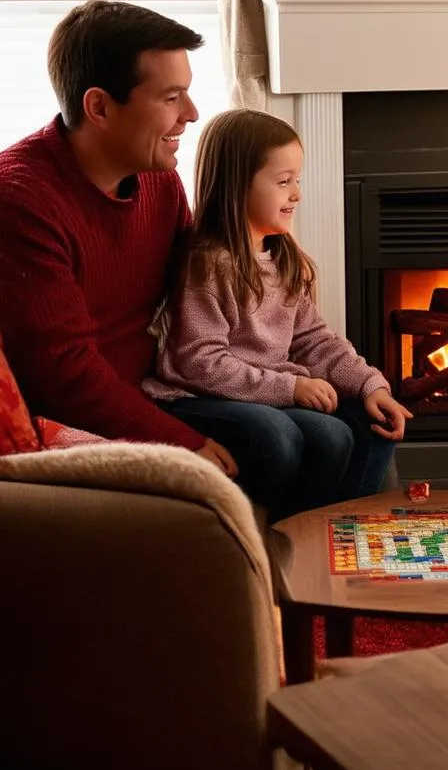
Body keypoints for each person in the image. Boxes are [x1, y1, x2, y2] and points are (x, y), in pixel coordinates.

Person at [0, 0, 237, 477]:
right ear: (99, 107)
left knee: (342, 429)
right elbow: (65, 375)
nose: (192, 113)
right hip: (73, 422)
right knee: (279, 446)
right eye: (170, 97)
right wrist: (180, 443)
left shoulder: (158, 179)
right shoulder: (14, 199)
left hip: (153, 389)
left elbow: (201, 294)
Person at [145, 110, 412, 522]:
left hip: (265, 392)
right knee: (285, 435)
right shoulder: (207, 265)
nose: (297, 195)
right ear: (237, 188)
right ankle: (293, 534)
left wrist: (371, 385)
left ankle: (344, 530)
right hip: (197, 397)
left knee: (370, 421)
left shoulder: (284, 261)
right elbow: (199, 363)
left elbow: (316, 341)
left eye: (297, 180)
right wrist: (291, 388)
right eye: (283, 182)